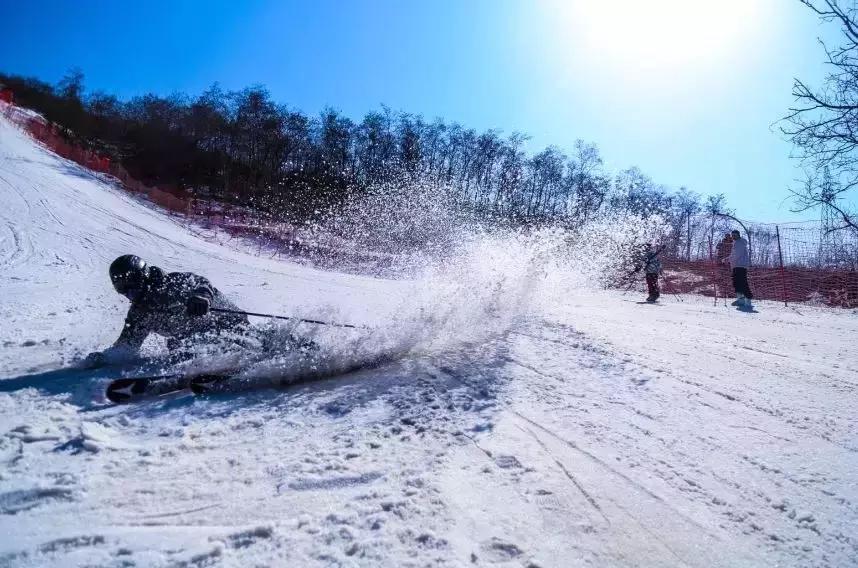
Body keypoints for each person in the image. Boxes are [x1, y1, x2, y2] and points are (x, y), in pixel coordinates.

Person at [84, 255, 249, 367]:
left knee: (245, 337)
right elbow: (127, 345)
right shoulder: (139, 314)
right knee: (176, 348)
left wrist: (201, 297)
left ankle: (251, 353)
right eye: (122, 289)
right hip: (198, 338)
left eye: (132, 285)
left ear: (143, 277)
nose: (130, 293)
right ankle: (209, 365)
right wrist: (105, 358)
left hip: (229, 322)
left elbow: (200, 282)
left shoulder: (171, 283)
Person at [726, 230, 753, 307]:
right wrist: (727, 259)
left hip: (740, 265)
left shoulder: (740, 243)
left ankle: (747, 299)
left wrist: (728, 260)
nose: (733, 236)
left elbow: (736, 255)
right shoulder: (736, 243)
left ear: (738, 235)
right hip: (736, 265)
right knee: (736, 283)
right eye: (732, 235)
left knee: (742, 282)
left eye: (735, 235)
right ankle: (740, 299)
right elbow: (734, 254)